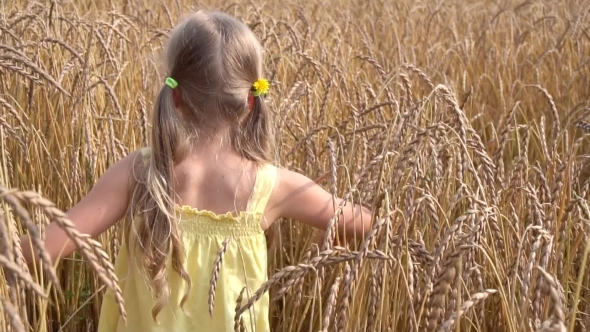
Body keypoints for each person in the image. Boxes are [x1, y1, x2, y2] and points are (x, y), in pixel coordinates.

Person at [20, 10, 372, 332]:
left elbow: (41, 249)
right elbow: (365, 223)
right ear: (250, 101)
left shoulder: (140, 172)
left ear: (175, 97)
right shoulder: (271, 186)